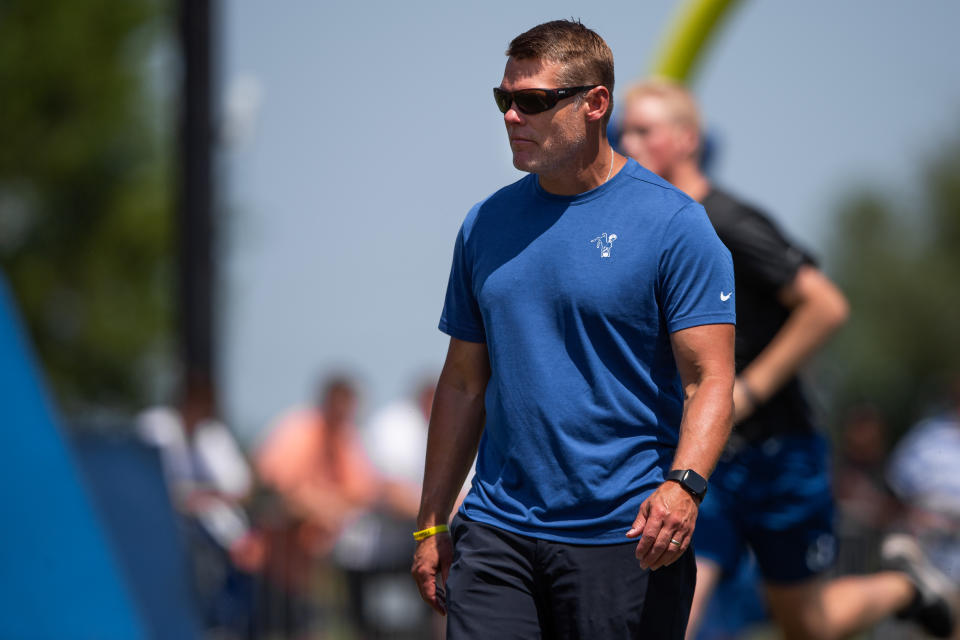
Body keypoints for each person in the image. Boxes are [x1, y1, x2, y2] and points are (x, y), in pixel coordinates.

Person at [411, 20, 737, 639]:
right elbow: (460, 386)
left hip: (628, 537)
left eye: (533, 101)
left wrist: (684, 487)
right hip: (497, 530)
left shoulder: (674, 225)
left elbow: (711, 379)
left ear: (596, 104)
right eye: (504, 99)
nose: (512, 115)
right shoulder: (485, 224)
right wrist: (432, 521)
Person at [618, 78, 957, 639]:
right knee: (677, 611)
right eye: (624, 129)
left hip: (783, 456)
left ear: (686, 139)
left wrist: (743, 393)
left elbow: (825, 306)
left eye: (642, 130)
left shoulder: (728, 221)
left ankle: (906, 585)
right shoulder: (648, 230)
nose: (626, 140)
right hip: (711, 459)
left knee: (808, 624)